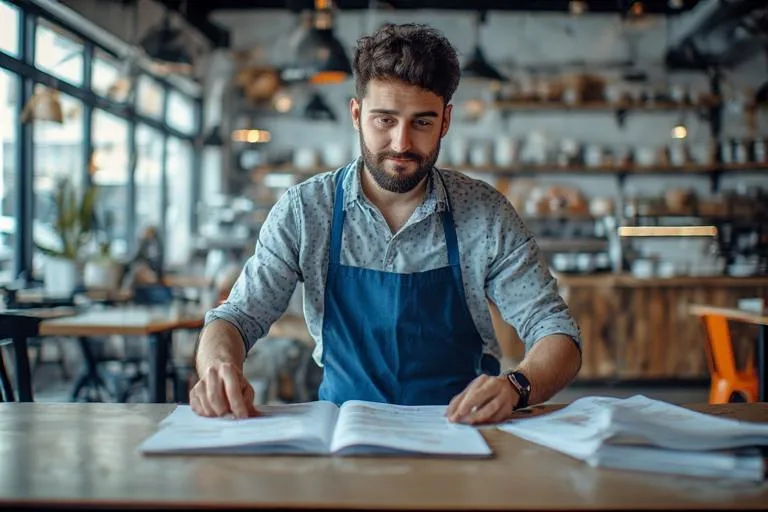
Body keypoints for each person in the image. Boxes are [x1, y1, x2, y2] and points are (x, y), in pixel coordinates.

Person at [191, 23, 582, 424]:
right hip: (343, 433)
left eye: (422, 123)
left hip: (463, 433)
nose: (401, 143)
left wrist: (517, 387)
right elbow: (236, 318)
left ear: (446, 122)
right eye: (384, 120)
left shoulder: (485, 213)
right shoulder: (305, 211)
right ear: (357, 114)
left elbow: (557, 333)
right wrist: (219, 368)